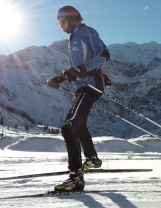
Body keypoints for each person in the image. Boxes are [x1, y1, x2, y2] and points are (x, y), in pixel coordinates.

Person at [47, 5, 110, 192]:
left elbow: (104, 55)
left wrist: (81, 70)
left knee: (69, 127)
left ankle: (75, 178)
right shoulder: (74, 38)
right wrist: (60, 78)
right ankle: (91, 158)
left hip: (91, 86)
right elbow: (77, 69)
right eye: (59, 23)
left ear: (73, 19)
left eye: (62, 21)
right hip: (82, 87)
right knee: (78, 125)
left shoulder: (85, 32)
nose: (61, 26)